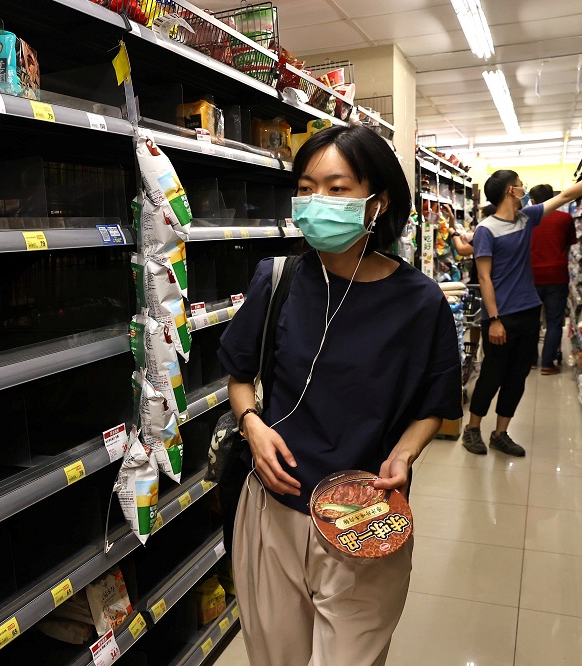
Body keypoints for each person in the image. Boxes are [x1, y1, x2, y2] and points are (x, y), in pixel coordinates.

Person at [217, 125, 463, 666]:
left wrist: (405, 452)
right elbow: (238, 375)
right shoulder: (277, 278)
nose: (316, 203)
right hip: (273, 510)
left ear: (378, 203)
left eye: (337, 189)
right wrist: (252, 426)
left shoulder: (420, 303)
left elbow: (436, 404)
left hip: (366, 516)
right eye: (306, 188)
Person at [463, 168, 582, 456]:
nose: (524, 189)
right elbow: (484, 278)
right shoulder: (485, 230)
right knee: (492, 375)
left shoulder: (526, 218)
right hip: (500, 315)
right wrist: (493, 319)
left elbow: (568, 194)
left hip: (529, 310)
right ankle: (472, 429)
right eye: (520, 185)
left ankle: (500, 433)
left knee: (517, 377)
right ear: (510, 191)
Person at [529, 183, 576, 374]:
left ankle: (531, 360)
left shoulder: (526, 219)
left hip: (531, 277)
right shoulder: (565, 218)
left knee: (531, 322)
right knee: (554, 321)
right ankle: (548, 364)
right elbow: (569, 243)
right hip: (557, 276)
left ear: (532, 201)